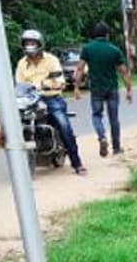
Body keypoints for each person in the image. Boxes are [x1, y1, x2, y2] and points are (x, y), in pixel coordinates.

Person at [15, 29, 86, 175]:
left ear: (39, 43)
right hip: (30, 99)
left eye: (32, 42)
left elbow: (60, 80)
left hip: (50, 97)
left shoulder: (51, 60)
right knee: (13, 126)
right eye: (27, 43)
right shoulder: (22, 63)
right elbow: (19, 84)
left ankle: (77, 163)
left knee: (64, 125)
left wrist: (52, 84)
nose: (30, 45)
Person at [75, 22, 133, 158]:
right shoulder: (114, 50)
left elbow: (80, 68)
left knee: (96, 115)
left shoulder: (87, 49)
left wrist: (77, 87)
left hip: (96, 89)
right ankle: (117, 148)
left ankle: (102, 137)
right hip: (112, 88)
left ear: (94, 35)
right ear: (107, 35)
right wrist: (129, 90)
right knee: (114, 118)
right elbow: (124, 72)